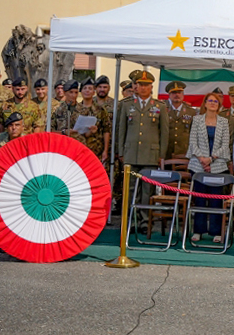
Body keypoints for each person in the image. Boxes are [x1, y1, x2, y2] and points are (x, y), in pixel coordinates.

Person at [117, 70, 163, 228]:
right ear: (136, 86)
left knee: (146, 190)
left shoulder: (159, 106)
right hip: (131, 153)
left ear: (151, 87)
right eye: (141, 85)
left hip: (150, 154)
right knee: (130, 189)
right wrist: (121, 152)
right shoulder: (126, 105)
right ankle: (131, 218)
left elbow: (164, 133)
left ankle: (144, 220)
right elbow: (121, 130)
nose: (143, 88)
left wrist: (161, 154)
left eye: (147, 85)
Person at [187, 90, 232, 243]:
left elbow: (225, 145)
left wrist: (211, 159)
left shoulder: (224, 122)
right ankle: (198, 231)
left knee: (216, 200)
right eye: (210, 101)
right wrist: (202, 159)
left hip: (217, 165)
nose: (213, 103)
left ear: (219, 105)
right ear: (205, 103)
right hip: (198, 165)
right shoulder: (197, 120)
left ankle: (216, 231)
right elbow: (193, 143)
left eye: (215, 101)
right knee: (199, 198)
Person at [73, 77, 112, 164]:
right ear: (81, 92)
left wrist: (105, 151)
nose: (87, 91)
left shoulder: (100, 110)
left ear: (94, 92)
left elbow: (107, 130)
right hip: (78, 150)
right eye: (85, 88)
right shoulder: (75, 109)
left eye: (90, 89)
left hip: (96, 150)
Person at [159, 80, 195, 161]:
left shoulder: (191, 111)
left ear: (183, 94)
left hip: (183, 152)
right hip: (166, 152)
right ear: (169, 95)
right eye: (174, 93)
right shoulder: (162, 109)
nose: (177, 95)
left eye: (179, 92)